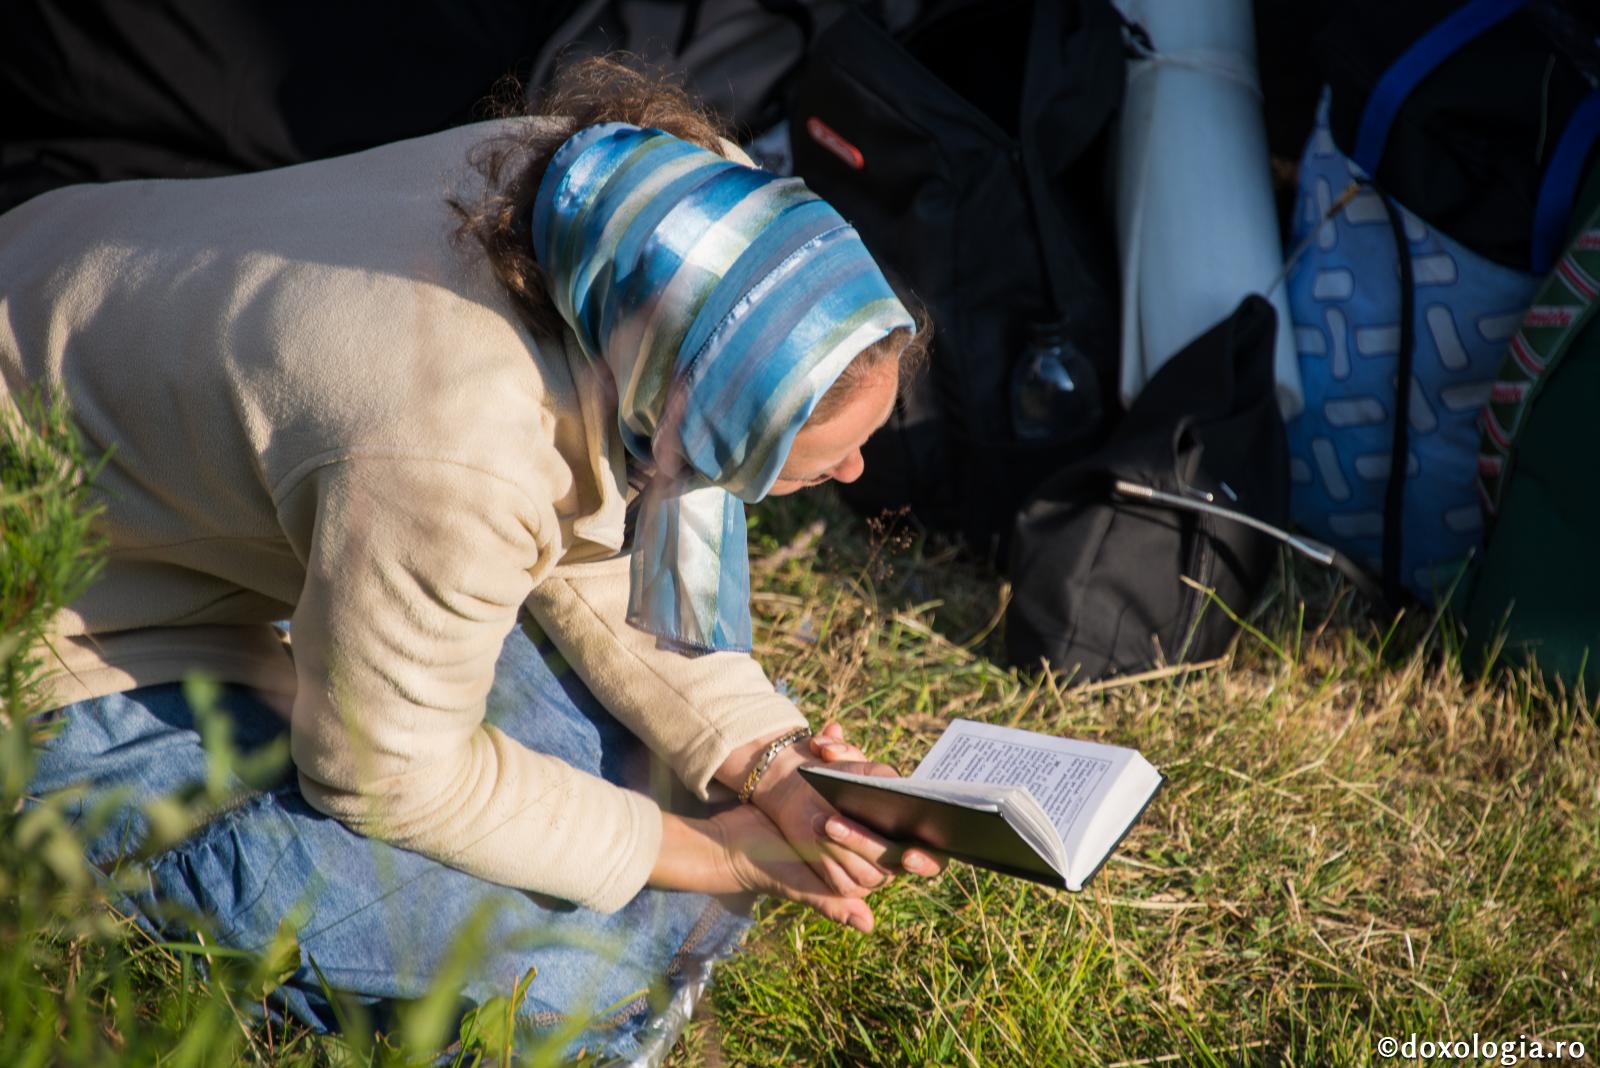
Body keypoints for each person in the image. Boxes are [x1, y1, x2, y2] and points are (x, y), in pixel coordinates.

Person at [1, 57, 942, 1061]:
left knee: (651, 785)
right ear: (681, 412)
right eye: (803, 456)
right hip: (61, 631)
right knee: (573, 981)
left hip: (193, 468)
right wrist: (713, 861)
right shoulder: (451, 453)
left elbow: (597, 498)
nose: (850, 471)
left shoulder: (655, 214)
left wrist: (761, 755)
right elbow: (384, 777)